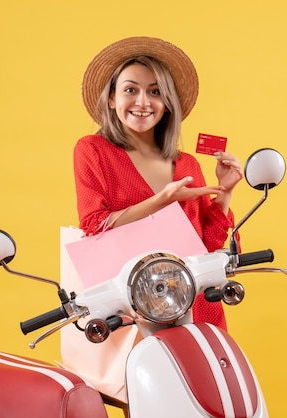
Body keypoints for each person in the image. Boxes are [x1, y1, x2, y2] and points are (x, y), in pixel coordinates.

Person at [73, 36, 242, 330]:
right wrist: (161, 202)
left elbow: (210, 247)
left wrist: (225, 192)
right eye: (130, 90)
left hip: (195, 303)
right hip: (131, 312)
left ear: (167, 103)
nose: (143, 102)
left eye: (155, 91)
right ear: (111, 99)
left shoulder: (187, 163)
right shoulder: (93, 150)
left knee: (206, 373)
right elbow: (94, 225)